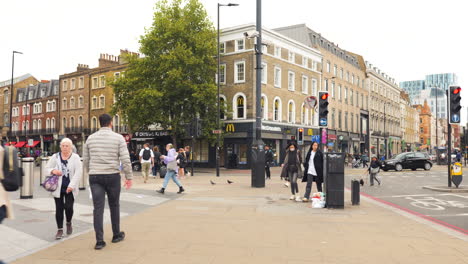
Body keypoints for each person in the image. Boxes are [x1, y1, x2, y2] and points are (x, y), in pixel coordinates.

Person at [83, 114, 133, 250]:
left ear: (99, 123)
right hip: (112, 175)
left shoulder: (90, 139)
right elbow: (125, 159)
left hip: (95, 176)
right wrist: (129, 177)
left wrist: (90, 171)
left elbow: (86, 160)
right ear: (111, 123)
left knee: (98, 208)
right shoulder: (118, 138)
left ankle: (99, 241)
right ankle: (116, 235)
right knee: (114, 205)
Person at [45, 138, 83, 240]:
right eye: (63, 146)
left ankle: (69, 222)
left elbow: (78, 173)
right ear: (60, 147)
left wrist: (72, 185)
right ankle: (60, 230)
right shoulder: (55, 157)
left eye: (67, 146)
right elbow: (46, 169)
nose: (65, 148)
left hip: (70, 187)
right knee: (59, 208)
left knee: (69, 207)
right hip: (58, 187)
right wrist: (53, 171)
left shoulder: (75, 158)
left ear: (71, 147)